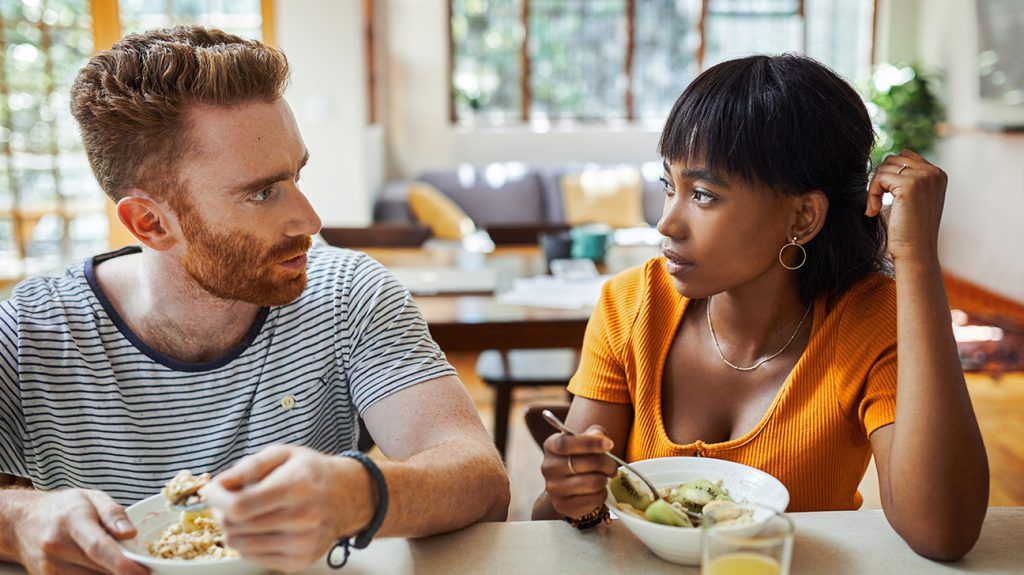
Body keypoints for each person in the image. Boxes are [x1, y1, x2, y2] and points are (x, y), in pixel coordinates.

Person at [0, 26, 509, 575]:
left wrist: (361, 495)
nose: (311, 221)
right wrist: (18, 518)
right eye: (262, 192)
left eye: (297, 175)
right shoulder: (27, 331)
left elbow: (480, 479)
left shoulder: (348, 294)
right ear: (149, 222)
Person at [534, 54, 988, 561]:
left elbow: (943, 532)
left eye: (703, 194)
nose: (667, 224)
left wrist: (917, 258)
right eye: (670, 186)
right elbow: (555, 520)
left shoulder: (870, 320)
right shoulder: (630, 304)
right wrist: (574, 497)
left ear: (803, 216)